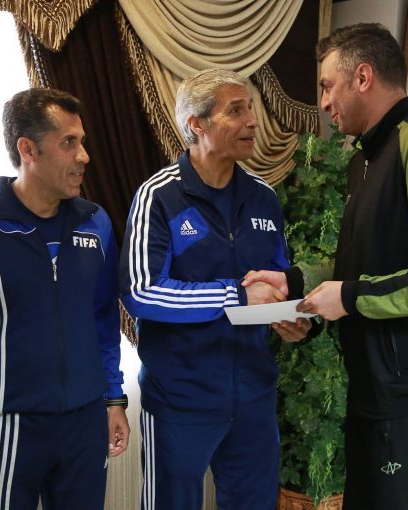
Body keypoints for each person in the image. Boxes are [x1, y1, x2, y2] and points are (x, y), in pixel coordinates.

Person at [245, 23, 408, 509]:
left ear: (362, 77)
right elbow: (367, 262)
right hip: (374, 388)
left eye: (327, 86)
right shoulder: (364, 158)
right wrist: (296, 280)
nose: (323, 103)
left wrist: (351, 297)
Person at [119, 69, 310, 510]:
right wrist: (233, 297)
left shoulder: (263, 197)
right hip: (179, 399)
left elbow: (277, 283)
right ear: (197, 124)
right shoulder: (158, 196)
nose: (252, 121)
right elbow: (142, 292)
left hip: (254, 397)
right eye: (236, 110)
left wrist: (292, 319)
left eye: (251, 108)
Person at [0, 88, 129, 509]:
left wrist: (113, 398)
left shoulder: (95, 222)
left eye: (83, 141)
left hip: (83, 425)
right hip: (2, 427)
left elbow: (102, 319)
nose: (84, 156)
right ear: (28, 149)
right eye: (69, 142)